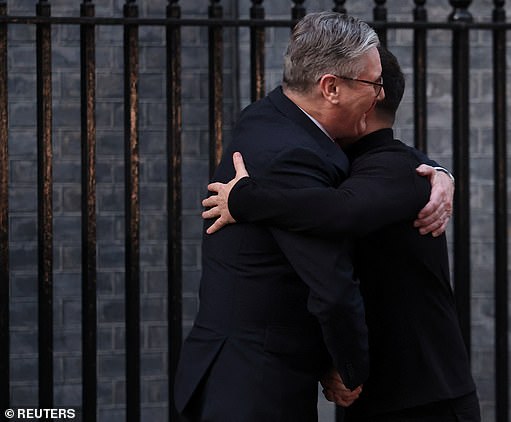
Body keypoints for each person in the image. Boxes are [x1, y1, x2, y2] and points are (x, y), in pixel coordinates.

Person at [174, 12, 452, 422]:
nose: (380, 96)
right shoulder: (294, 155)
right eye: (373, 84)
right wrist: (350, 368)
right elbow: (332, 286)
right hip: (254, 390)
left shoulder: (270, 117)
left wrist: (440, 173)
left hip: (240, 376)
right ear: (331, 87)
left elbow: (380, 161)